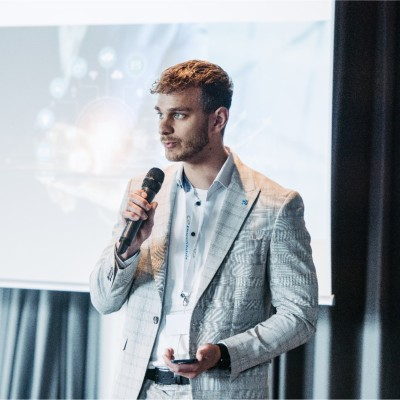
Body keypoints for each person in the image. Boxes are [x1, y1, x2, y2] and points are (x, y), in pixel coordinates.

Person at [90, 59, 318, 399]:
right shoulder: (144, 191)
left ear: (218, 119)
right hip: (140, 389)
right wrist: (128, 251)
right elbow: (103, 301)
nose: (163, 128)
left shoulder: (276, 204)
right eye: (160, 114)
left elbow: (299, 316)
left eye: (179, 115)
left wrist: (224, 354)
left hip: (222, 390)